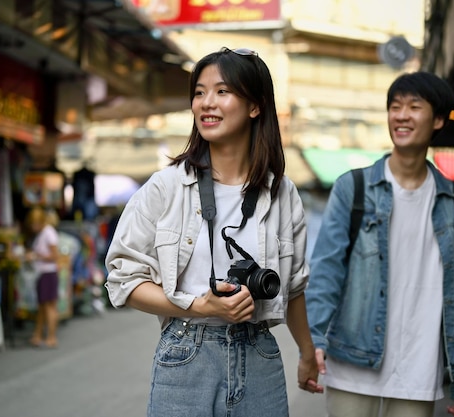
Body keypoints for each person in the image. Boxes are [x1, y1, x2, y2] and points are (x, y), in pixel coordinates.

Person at [105, 47, 322, 417]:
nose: (207, 103)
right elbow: (123, 281)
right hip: (186, 351)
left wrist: (306, 352)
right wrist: (198, 304)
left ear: (255, 106)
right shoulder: (165, 187)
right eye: (200, 92)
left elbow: (295, 287)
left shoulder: (282, 193)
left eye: (222, 91)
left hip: (260, 355)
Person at [305, 72, 454, 417]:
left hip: (419, 366)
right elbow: (326, 271)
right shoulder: (352, 189)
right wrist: (315, 339)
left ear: (439, 119)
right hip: (353, 363)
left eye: (414, 106)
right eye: (395, 106)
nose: (401, 115)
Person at [25, 206, 60, 348]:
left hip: (48, 273)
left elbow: (55, 255)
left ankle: (51, 337)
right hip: (43, 273)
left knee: (49, 306)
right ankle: (38, 335)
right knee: (42, 306)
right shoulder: (44, 233)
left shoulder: (48, 233)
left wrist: (36, 256)